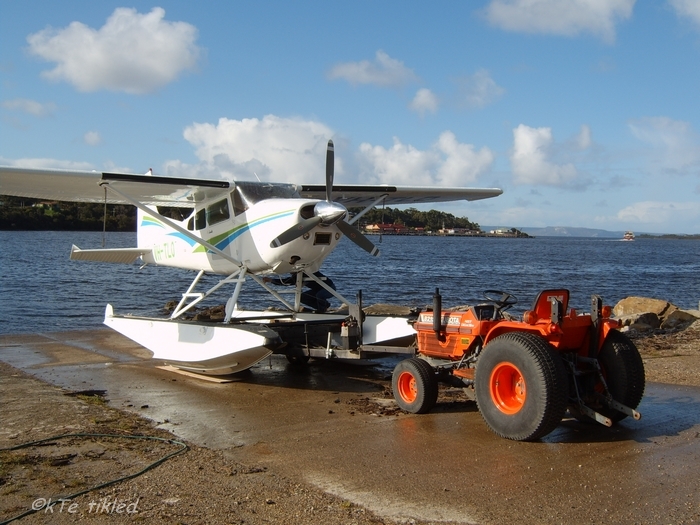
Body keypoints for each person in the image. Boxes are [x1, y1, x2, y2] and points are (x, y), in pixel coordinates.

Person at [264, 271, 336, 313]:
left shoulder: (308, 271)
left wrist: (303, 282)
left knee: (319, 295)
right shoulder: (297, 275)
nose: (290, 272)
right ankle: (324, 306)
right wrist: (271, 280)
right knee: (302, 297)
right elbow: (286, 282)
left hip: (329, 288)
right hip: (317, 290)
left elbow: (315, 275)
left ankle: (321, 310)